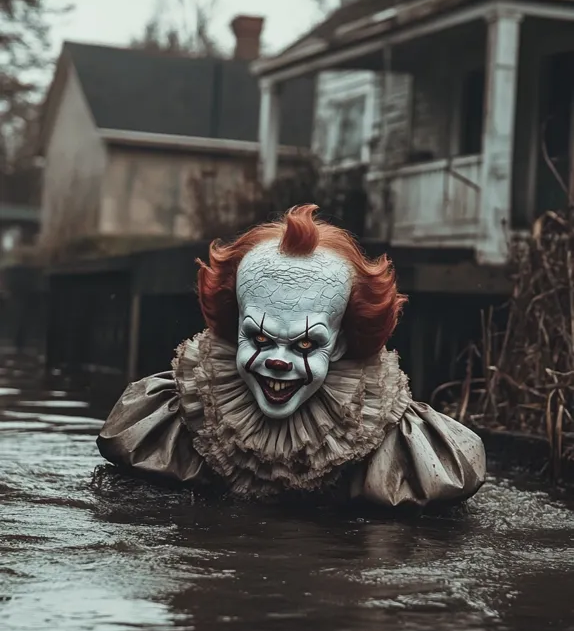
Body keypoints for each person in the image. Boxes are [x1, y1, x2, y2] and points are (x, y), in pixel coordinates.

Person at [97, 205, 486, 506]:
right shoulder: (181, 420)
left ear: (343, 343)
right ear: (235, 332)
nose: (278, 361)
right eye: (260, 339)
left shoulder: (401, 448)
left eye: (304, 345)